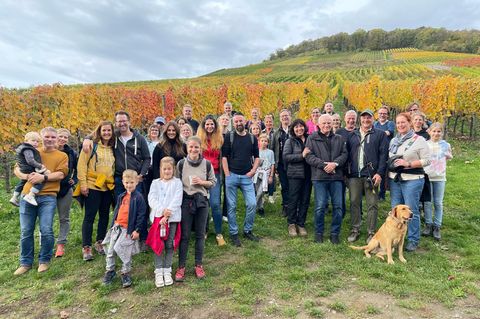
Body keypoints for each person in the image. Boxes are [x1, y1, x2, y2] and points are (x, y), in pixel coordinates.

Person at [14, 127, 68, 275]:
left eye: (52, 137)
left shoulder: (61, 156)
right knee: (26, 230)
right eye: (47, 137)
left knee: (46, 229)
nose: (49, 139)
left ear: (56, 139)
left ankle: (44, 260)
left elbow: (60, 175)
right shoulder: (32, 150)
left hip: (48, 196)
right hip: (27, 195)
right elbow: (17, 168)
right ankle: (25, 262)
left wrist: (42, 178)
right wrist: (26, 177)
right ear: (41, 137)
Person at [388, 112, 431, 252]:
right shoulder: (394, 140)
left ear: (410, 123)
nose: (400, 125)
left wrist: (409, 164)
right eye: (398, 123)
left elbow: (427, 160)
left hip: (412, 180)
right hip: (395, 179)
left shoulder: (418, 140)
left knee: (411, 211)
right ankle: (397, 236)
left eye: (403, 122)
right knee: (396, 210)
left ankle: (413, 239)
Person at [175, 136, 216, 281]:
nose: (193, 149)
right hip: (186, 202)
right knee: (185, 236)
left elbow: (213, 182)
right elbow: (176, 183)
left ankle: (198, 265)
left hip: (202, 202)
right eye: (191, 147)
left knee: (200, 234)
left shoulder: (207, 164)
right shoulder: (181, 164)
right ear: (186, 148)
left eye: (196, 147)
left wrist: (202, 182)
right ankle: (181, 267)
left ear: (200, 148)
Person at [345, 110, 389, 244]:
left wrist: (380, 173)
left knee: (372, 204)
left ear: (372, 119)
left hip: (371, 175)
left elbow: (383, 156)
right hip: (354, 175)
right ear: (360, 119)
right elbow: (346, 154)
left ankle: (371, 232)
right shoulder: (353, 135)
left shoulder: (380, 135)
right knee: (354, 203)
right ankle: (355, 229)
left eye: (368, 117)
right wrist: (345, 173)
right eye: (363, 117)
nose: (366, 120)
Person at [305, 114, 347, 244]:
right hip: (319, 177)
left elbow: (344, 154)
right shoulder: (312, 138)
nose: (327, 125)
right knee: (320, 206)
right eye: (324, 123)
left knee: (338, 206)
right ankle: (319, 232)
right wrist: (324, 165)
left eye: (329, 123)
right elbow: (308, 156)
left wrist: (334, 164)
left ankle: (335, 233)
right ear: (318, 124)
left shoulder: (339, 139)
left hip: (336, 177)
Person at [77, 121, 115, 261]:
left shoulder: (112, 147)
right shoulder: (91, 146)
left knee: (104, 215)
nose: (106, 133)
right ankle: (86, 246)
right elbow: (81, 165)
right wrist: (83, 184)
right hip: (92, 185)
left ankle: (100, 241)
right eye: (104, 130)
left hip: (107, 186)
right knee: (90, 216)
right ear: (99, 131)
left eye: (109, 130)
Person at [102, 169, 146, 288]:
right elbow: (117, 211)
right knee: (110, 250)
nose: (129, 185)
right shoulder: (121, 196)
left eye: (131, 182)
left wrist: (137, 230)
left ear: (136, 182)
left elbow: (141, 215)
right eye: (126, 182)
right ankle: (110, 271)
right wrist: (112, 226)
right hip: (117, 227)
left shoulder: (139, 198)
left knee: (122, 250)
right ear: (122, 182)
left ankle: (125, 272)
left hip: (128, 229)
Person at [222, 113, 260, 247]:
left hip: (246, 177)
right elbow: (224, 157)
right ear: (234, 123)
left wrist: (253, 171)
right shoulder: (229, 136)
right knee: (231, 206)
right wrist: (227, 174)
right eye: (236, 121)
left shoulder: (252, 138)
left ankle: (247, 230)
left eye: (240, 121)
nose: (238, 123)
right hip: (231, 175)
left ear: (245, 122)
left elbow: (257, 157)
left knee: (252, 204)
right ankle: (234, 233)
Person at [147, 157, 183, 287]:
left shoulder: (177, 182)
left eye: (169, 169)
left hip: (172, 218)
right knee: (158, 244)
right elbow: (152, 198)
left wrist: (167, 215)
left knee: (169, 244)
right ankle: (159, 270)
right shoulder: (155, 183)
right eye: (164, 169)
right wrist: (162, 212)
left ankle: (167, 269)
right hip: (158, 219)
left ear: (173, 169)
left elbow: (177, 199)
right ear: (160, 170)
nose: (167, 171)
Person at [197, 115, 225, 246]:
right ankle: (204, 230)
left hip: (215, 175)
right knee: (203, 204)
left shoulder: (220, 139)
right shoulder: (198, 140)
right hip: (202, 174)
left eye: (212, 124)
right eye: (207, 124)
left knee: (215, 203)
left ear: (215, 125)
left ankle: (219, 233)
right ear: (203, 126)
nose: (209, 126)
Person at [422, 123, 453, 241]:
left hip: (440, 177)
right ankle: (428, 224)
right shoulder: (425, 144)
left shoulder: (445, 144)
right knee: (428, 202)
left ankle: (437, 226)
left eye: (439, 131)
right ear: (429, 132)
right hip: (427, 176)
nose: (436, 133)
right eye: (434, 131)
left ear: (442, 133)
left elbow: (450, 156)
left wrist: (445, 155)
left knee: (438, 202)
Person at [283, 119, 312, 237]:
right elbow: (286, 157)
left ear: (304, 128)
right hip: (295, 175)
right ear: (293, 129)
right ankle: (291, 223)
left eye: (301, 126)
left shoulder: (310, 139)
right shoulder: (290, 141)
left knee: (305, 199)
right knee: (293, 199)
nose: (299, 129)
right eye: (296, 127)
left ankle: (301, 223)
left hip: (309, 174)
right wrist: (302, 155)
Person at [54, 128, 78, 258]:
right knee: (46, 218)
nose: (63, 139)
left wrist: (74, 180)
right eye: (60, 136)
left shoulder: (71, 153)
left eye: (65, 137)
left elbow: (77, 169)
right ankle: (45, 243)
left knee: (64, 218)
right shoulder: (47, 151)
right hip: (48, 189)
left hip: (65, 189)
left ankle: (61, 244)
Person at [10, 132, 51, 207]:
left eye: (37, 141)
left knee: (22, 182)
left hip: (23, 168)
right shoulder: (28, 149)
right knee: (41, 179)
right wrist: (40, 166)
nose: (35, 143)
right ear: (26, 141)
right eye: (33, 140)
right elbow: (30, 160)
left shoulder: (22, 148)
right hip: (28, 168)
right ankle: (31, 195)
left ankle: (14, 197)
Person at [272, 109, 291, 216]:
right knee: (284, 186)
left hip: (293, 165)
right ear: (280, 119)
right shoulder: (276, 133)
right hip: (281, 164)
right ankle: (285, 206)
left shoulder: (294, 130)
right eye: (283, 116)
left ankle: (293, 206)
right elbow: (272, 148)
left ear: (290, 117)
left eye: (286, 115)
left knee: (293, 186)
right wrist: (274, 165)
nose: (285, 118)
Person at [374, 106, 395, 200]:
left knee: (383, 172)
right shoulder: (375, 123)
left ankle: (382, 194)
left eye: (384, 113)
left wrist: (378, 133)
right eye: (380, 113)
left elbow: (389, 132)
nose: (382, 115)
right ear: (377, 115)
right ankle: (374, 191)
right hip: (375, 150)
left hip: (386, 151)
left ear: (387, 115)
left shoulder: (390, 123)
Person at [254, 133, 275, 216]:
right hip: (257, 173)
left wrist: (271, 176)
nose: (264, 142)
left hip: (266, 174)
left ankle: (253, 206)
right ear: (259, 141)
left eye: (265, 141)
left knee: (260, 192)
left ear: (268, 142)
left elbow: (272, 164)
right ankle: (261, 208)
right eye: (262, 141)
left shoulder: (270, 152)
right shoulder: (256, 151)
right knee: (257, 190)